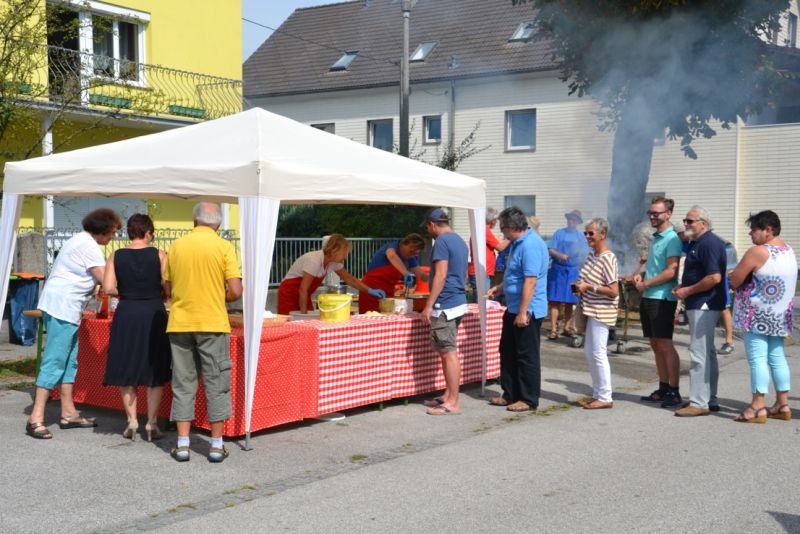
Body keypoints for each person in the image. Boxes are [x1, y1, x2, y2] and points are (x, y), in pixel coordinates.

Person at [25, 208, 122, 439]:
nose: (113, 237)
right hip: (63, 306)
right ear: (103, 229)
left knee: (69, 361)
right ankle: (36, 417)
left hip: (65, 306)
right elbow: (106, 281)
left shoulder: (80, 240)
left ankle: (68, 413)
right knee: (55, 360)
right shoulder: (89, 246)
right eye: (113, 232)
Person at [164, 202, 242, 462]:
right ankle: (216, 446)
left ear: (194, 221)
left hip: (180, 322)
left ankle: (182, 444)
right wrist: (221, 296)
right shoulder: (224, 246)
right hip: (212, 322)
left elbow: (168, 288)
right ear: (218, 224)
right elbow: (236, 290)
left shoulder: (176, 246)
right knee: (216, 384)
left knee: (183, 384)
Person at [102, 214, 171, 442]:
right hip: (153, 312)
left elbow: (108, 288)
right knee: (155, 367)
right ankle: (151, 423)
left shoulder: (116, 255)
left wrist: (125, 291)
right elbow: (167, 286)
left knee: (128, 364)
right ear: (148, 232)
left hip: (127, 312)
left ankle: (132, 421)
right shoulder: (160, 255)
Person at [729, 210, 797, 423]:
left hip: (756, 315)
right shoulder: (789, 250)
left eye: (754, 229)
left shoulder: (758, 252)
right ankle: (782, 404)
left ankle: (757, 406)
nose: (750, 233)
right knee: (777, 358)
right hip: (780, 315)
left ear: (768, 230)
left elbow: (735, 280)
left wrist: (733, 275)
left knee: (758, 359)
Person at [486, 207, 548, 412]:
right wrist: (500, 287)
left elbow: (530, 280)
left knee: (526, 355)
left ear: (511, 227)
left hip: (527, 310)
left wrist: (523, 312)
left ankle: (528, 399)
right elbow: (515, 275)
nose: (502, 233)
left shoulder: (530, 245)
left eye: (503, 228)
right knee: (508, 351)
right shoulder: (516, 244)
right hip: (513, 306)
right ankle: (510, 394)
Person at [672, 206, 728, 418]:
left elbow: (714, 277)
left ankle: (699, 402)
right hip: (702, 302)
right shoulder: (699, 243)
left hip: (704, 303)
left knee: (699, 353)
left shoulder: (708, 243)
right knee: (707, 352)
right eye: (685, 220)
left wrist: (688, 290)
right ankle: (708, 398)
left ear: (703, 223)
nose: (685, 224)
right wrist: (685, 287)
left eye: (690, 221)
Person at [633, 197, 683, 408]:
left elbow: (671, 271)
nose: (652, 216)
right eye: (650, 213)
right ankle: (663, 387)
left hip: (662, 298)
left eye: (656, 213)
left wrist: (646, 283)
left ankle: (674, 390)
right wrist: (642, 275)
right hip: (650, 296)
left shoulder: (672, 239)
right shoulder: (656, 238)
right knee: (655, 344)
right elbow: (656, 267)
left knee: (665, 343)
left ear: (668, 214)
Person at [419, 208, 469, 415]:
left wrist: (429, 304)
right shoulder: (459, 240)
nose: (428, 231)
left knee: (448, 352)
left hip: (446, 303)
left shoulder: (441, 241)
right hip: (456, 300)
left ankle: (453, 403)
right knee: (445, 350)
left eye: (427, 227)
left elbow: (440, 274)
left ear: (432, 224)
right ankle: (448, 395)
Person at [573, 218, 619, 410]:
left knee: (598, 353)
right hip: (590, 308)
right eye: (586, 233)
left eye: (591, 233)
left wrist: (589, 287)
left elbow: (614, 291)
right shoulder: (592, 255)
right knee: (589, 352)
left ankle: (605, 396)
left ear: (603, 234)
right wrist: (580, 286)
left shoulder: (608, 258)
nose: (587, 237)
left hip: (602, 311)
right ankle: (598, 393)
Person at [277, 234, 385, 314]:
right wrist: (303, 315)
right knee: (292, 324)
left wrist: (369, 290)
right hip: (289, 295)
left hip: (303, 296)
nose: (345, 257)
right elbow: (303, 289)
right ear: (334, 250)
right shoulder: (314, 260)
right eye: (344, 253)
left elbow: (350, 279)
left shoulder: (333, 263)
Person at [547, 209, 589, 340]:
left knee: (571, 301)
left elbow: (585, 253)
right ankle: (553, 330)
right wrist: (559, 255)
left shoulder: (581, 237)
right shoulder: (559, 233)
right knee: (554, 301)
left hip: (573, 273)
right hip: (557, 272)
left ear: (578, 222)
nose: (571, 221)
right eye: (570, 219)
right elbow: (551, 249)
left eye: (574, 220)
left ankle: (567, 327)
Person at [359, 233, 428, 313]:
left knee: (387, 316)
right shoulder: (393, 247)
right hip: (371, 290)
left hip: (388, 294)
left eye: (415, 253)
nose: (412, 255)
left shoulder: (410, 258)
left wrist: (436, 278)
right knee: (369, 316)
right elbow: (391, 255)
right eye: (411, 251)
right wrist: (406, 273)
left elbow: (421, 275)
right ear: (403, 244)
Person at [467, 208, 509, 303]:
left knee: (483, 300)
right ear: (492, 220)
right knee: (483, 301)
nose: (497, 223)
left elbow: (497, 242)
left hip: (482, 271)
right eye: (496, 220)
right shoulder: (484, 230)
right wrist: (511, 237)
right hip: (481, 272)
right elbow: (500, 247)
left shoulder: (482, 230)